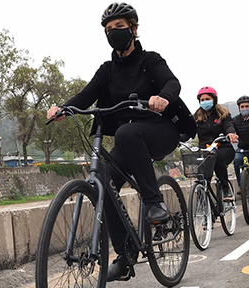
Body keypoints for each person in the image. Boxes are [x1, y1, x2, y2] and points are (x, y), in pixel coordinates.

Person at [46, 2, 196, 282]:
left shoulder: (151, 60)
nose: (113, 33)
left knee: (127, 133)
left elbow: (172, 83)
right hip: (129, 141)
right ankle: (125, 255)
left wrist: (162, 97)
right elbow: (85, 95)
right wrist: (63, 109)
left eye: (119, 28)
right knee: (102, 179)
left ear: (134, 30)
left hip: (160, 130)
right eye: (108, 30)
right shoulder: (107, 70)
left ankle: (153, 202)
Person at [194, 86, 238, 201]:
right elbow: (188, 131)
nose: (204, 102)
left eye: (207, 99)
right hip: (205, 151)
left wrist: (231, 133)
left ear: (214, 100)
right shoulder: (196, 117)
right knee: (201, 177)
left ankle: (225, 188)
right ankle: (205, 206)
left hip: (223, 148)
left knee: (216, 157)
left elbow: (229, 125)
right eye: (202, 100)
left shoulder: (223, 114)